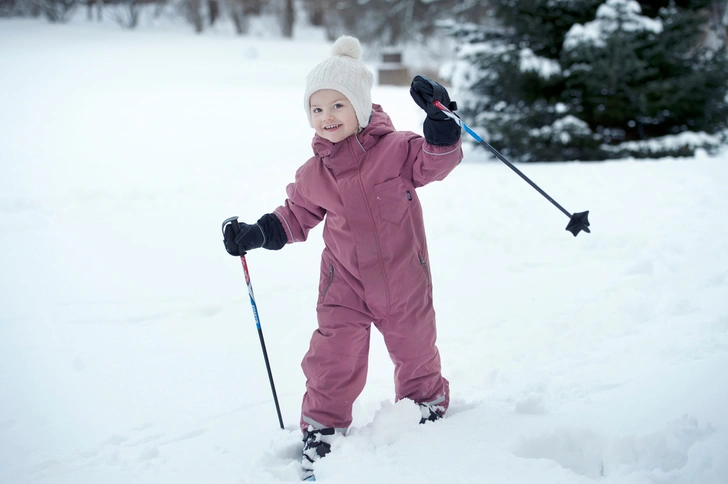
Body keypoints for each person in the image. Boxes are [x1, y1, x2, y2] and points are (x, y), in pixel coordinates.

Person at [222, 35, 463, 480]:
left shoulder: (397, 149)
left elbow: (435, 161)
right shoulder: (315, 172)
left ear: (361, 106)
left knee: (414, 348)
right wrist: (258, 233)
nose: (326, 118)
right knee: (333, 355)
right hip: (344, 283)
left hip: (403, 276)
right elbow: (295, 214)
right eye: (317, 109)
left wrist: (442, 126)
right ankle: (323, 426)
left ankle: (423, 404)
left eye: (337, 106)